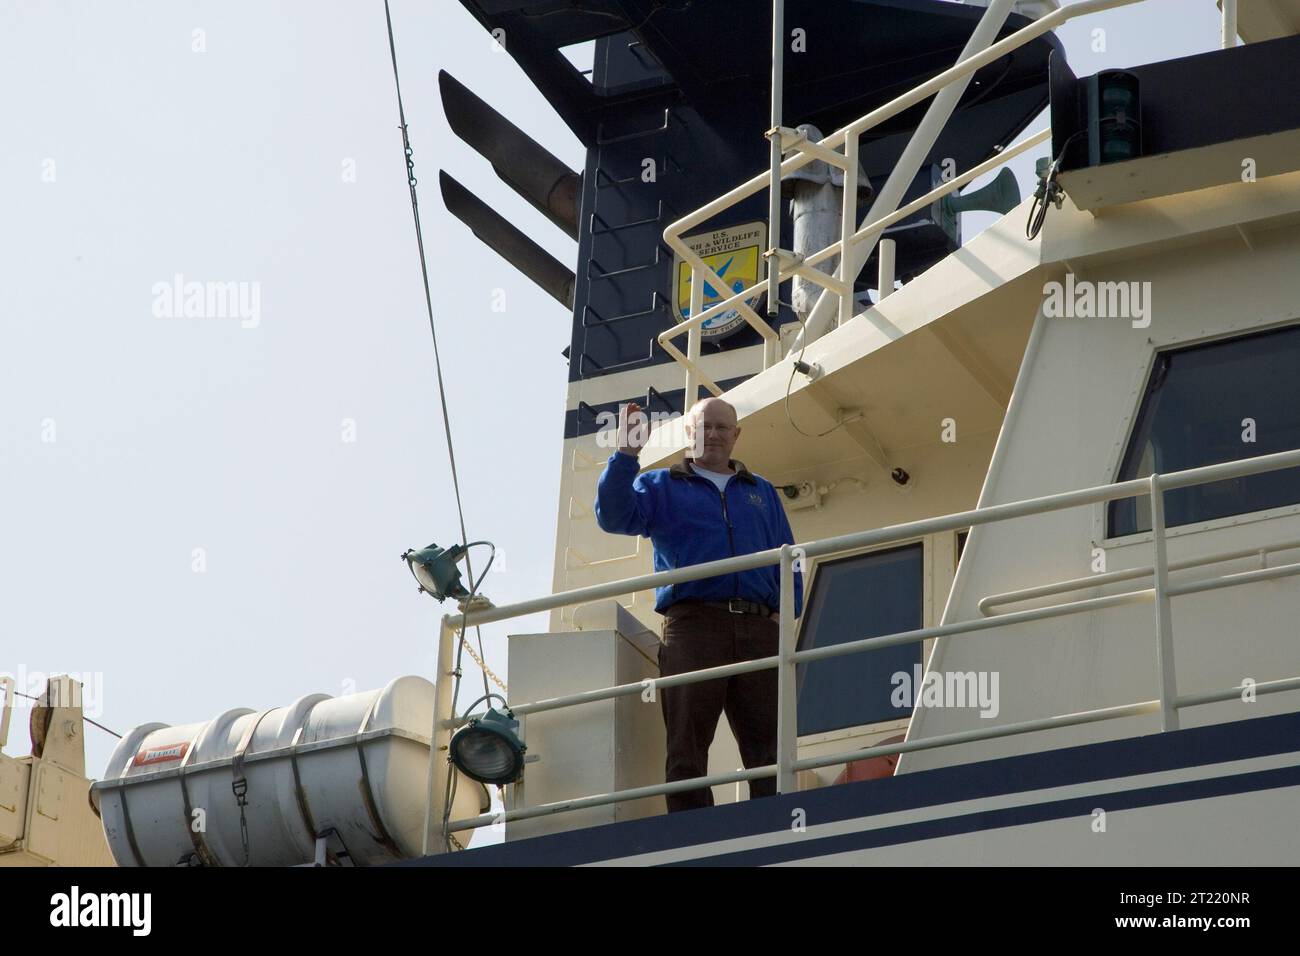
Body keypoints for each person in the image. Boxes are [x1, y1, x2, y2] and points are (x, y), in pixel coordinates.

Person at [594, 396, 803, 812]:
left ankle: (777, 825)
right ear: (689, 433)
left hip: (760, 626)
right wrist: (625, 455)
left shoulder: (760, 490)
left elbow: (788, 553)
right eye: (704, 426)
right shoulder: (658, 485)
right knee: (687, 744)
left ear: (736, 435)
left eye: (722, 427)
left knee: (769, 746)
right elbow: (613, 517)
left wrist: (786, 609)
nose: (713, 434)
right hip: (693, 624)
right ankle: (693, 833)